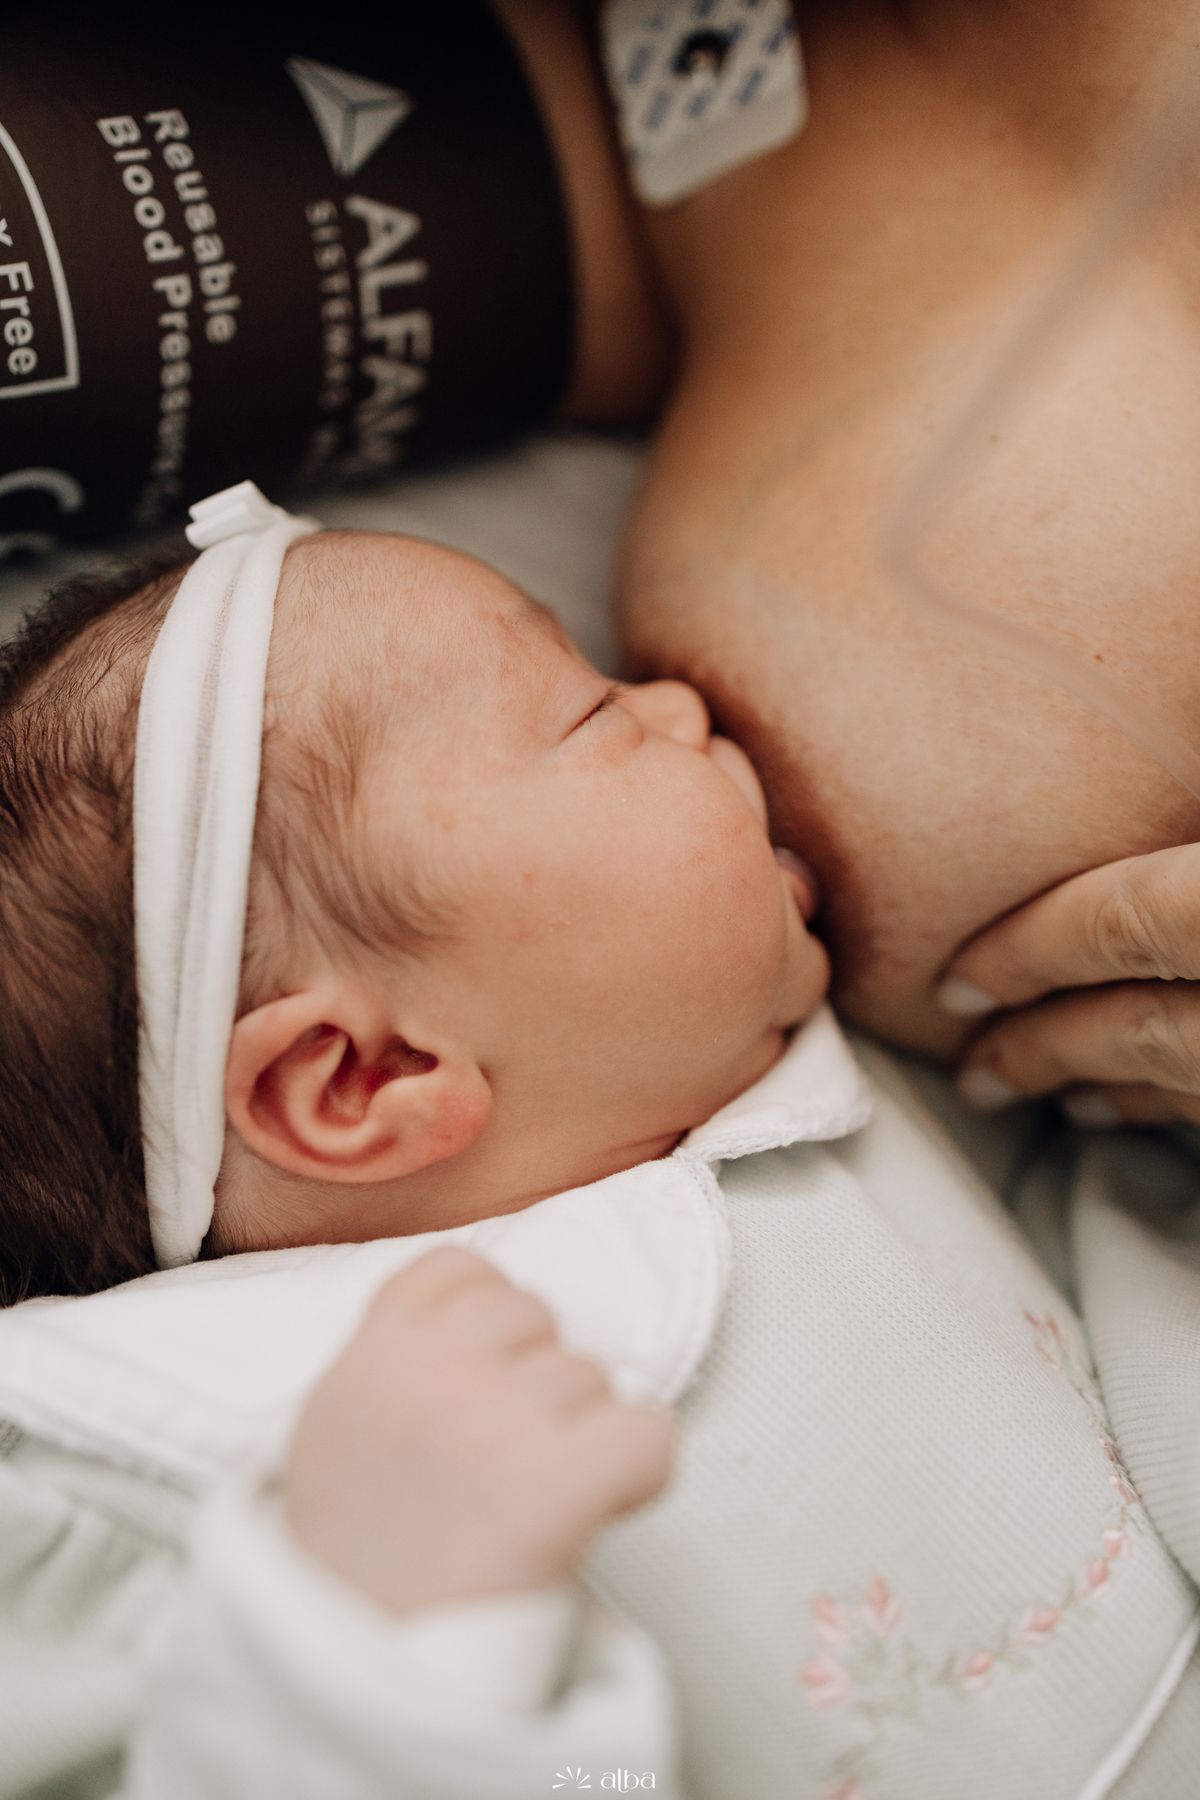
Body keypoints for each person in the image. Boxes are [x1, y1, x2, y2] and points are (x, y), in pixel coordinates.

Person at [1, 499, 1197, 1799]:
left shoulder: (849, 1084)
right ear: (367, 1078)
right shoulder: (141, 1443)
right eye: (593, 715)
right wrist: (350, 1658)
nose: (683, 700)